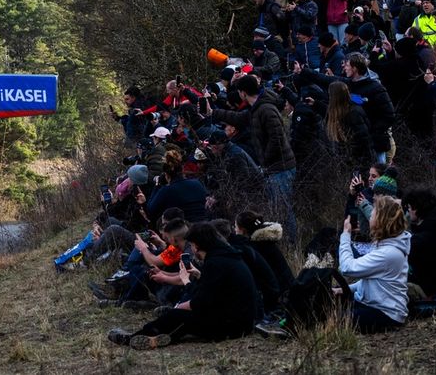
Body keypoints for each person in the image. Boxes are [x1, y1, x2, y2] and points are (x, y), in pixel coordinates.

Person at [107, 222, 258, 349]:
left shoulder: (215, 263)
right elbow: (214, 293)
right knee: (182, 319)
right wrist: (198, 277)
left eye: (192, 245)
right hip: (242, 320)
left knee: (177, 316)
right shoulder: (228, 256)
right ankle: (161, 337)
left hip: (232, 326)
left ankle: (134, 337)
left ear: (197, 245)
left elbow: (200, 303)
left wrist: (183, 298)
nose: (192, 249)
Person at [210, 74, 298, 243]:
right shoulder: (257, 108)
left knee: (283, 208)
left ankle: (291, 244)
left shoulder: (266, 109)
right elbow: (238, 118)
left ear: (243, 93)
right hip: (275, 167)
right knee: (280, 207)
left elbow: (277, 138)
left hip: (280, 167)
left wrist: (264, 160)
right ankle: (286, 241)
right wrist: (213, 112)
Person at [338, 195, 411, 333]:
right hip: (375, 306)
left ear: (382, 220)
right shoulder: (388, 244)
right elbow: (373, 282)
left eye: (374, 213)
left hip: (385, 314)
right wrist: (345, 289)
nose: (370, 215)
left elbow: (347, 268)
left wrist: (345, 235)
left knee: (333, 318)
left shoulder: (389, 252)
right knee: (330, 302)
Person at [403, 189, 436, 298]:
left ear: (417, 207)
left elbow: (407, 251)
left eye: (409, 207)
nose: (408, 212)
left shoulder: (430, 232)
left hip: (433, 289)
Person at [142, 149, 209, 224]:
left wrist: (157, 185)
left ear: (166, 174)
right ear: (182, 169)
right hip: (204, 225)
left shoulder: (166, 190)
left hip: (183, 230)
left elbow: (150, 211)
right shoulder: (197, 183)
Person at [325, 81, 372, 172]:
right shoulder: (341, 112)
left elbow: (363, 139)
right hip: (348, 161)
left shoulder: (353, 112)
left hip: (358, 162)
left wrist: (353, 159)